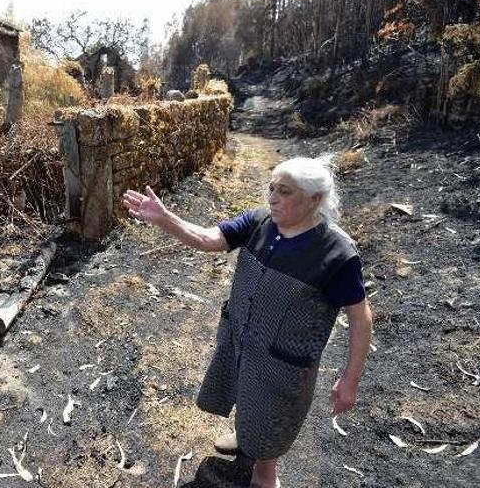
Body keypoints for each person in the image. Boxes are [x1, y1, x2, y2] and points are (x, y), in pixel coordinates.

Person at [122, 157, 373, 488]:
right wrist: (165, 218)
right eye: (271, 188)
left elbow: (360, 317)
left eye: (284, 191)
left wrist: (350, 379)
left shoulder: (336, 253)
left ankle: (264, 474)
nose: (272, 197)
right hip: (242, 339)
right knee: (244, 389)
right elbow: (210, 238)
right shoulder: (260, 222)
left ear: (314, 199)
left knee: (270, 413)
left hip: (285, 361)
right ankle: (246, 438)